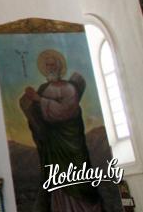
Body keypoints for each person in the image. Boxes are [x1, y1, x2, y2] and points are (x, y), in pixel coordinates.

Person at [20, 49, 102, 211]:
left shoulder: (69, 88)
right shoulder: (44, 88)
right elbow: (37, 114)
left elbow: (65, 111)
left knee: (77, 178)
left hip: (71, 144)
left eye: (53, 65)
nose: (50, 68)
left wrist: (38, 99)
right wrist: (28, 103)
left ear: (59, 67)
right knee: (58, 179)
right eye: (47, 65)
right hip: (54, 145)